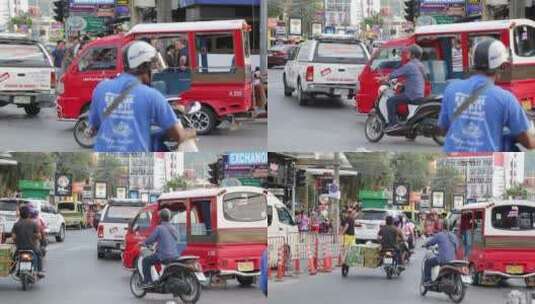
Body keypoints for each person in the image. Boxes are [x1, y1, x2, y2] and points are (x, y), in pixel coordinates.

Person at [88, 40, 195, 152]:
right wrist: (192, 132)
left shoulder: (101, 87)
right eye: (152, 65)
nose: (154, 71)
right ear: (144, 66)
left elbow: (95, 123)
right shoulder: (153, 96)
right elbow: (178, 136)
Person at [439, 38, 535, 152]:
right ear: (502, 66)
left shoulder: (451, 89)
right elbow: (528, 143)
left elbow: (443, 129)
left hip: (451, 161)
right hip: (486, 164)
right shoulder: (505, 98)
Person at [377, 44, 427, 131]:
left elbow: (396, 73)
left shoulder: (410, 65)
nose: (407, 54)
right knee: (399, 96)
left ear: (413, 55)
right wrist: (403, 83)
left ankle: (393, 124)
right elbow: (419, 78)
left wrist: (383, 78)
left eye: (409, 52)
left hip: (412, 95)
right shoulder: (420, 65)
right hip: (419, 94)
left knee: (390, 101)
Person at [141, 208, 181, 287]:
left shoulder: (159, 228)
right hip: (175, 256)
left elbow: (151, 239)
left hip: (163, 256)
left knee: (145, 261)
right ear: (169, 218)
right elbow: (177, 239)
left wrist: (144, 242)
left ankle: (147, 282)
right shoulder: (173, 228)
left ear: (160, 218)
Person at [11, 205, 44, 276]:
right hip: (32, 247)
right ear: (29, 214)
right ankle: (40, 271)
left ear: (20, 214)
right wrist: (35, 237)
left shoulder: (16, 224)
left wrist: (16, 241)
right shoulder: (33, 223)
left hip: (20, 248)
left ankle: (12, 269)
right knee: (39, 254)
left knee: (14, 257)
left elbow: (13, 237)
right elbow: (39, 236)